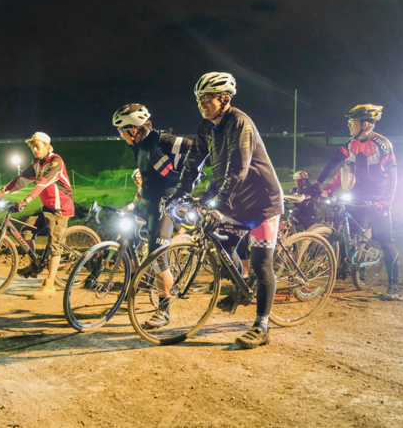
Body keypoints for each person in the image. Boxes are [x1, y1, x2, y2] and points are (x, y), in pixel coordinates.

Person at [170, 72, 284, 349]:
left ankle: (261, 326)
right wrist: (180, 193)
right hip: (233, 199)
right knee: (220, 245)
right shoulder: (206, 127)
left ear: (224, 99)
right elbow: (193, 162)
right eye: (199, 98)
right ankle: (240, 288)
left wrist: (219, 207)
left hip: (261, 202)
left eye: (206, 98)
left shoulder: (240, 123)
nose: (201, 103)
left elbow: (238, 169)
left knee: (260, 263)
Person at [112, 103, 191, 328]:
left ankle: (164, 309)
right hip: (146, 202)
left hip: (165, 203)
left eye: (121, 130)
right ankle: (135, 281)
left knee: (156, 256)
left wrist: (186, 183)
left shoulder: (162, 139)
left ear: (134, 129)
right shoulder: (137, 145)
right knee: (122, 235)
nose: (120, 135)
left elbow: (197, 148)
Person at [313, 104, 400, 299]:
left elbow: (393, 176)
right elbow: (333, 163)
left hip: (378, 197)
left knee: (386, 242)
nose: (349, 125)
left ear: (366, 124)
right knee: (344, 229)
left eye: (352, 122)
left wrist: (387, 200)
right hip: (357, 194)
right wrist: (318, 184)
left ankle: (393, 286)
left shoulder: (383, 144)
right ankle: (345, 266)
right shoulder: (351, 143)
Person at [0, 132, 74, 299]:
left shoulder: (55, 161)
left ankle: (50, 284)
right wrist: (1, 191)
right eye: (32, 146)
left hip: (60, 209)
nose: (35, 149)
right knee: (27, 231)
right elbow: (21, 180)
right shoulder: (36, 164)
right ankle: (34, 266)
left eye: (38, 146)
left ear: (47, 146)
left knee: (54, 245)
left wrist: (26, 201)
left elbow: (43, 183)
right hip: (47, 207)